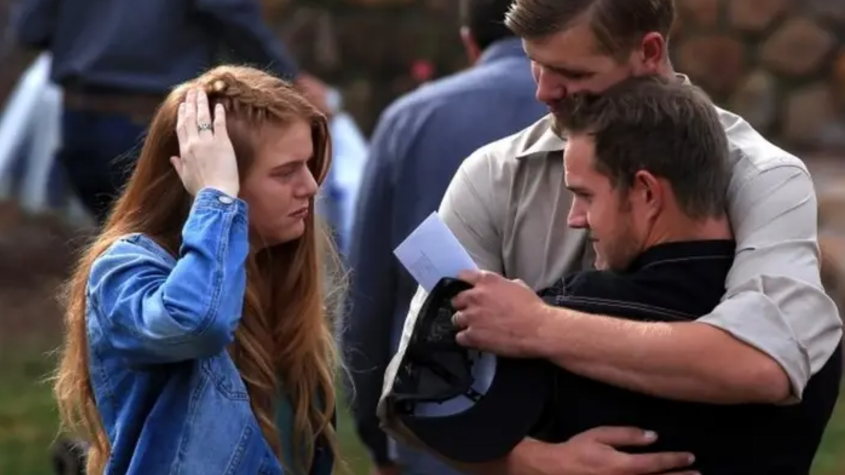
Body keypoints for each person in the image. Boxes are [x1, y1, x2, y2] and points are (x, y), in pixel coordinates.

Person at [379, 0, 844, 473]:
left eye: (570, 71)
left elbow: (764, 362)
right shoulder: (494, 176)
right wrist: (539, 465)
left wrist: (539, 327)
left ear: (648, 51)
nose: (543, 91)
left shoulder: (763, 176)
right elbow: (415, 388)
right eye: (535, 64)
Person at [52, 66, 341, 475]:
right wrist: (219, 199)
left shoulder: (273, 268)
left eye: (308, 165)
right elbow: (198, 323)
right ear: (205, 176)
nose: (310, 187)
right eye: (284, 172)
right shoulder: (126, 269)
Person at [343, 0, 547, 473]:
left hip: (439, 425)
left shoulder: (409, 120)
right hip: (575, 435)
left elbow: (367, 296)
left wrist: (380, 435)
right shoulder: (599, 107)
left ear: (469, 42)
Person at [12, 0, 329, 225]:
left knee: (115, 257)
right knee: (172, 261)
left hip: (78, 121)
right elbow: (230, 10)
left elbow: (30, 27)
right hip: (153, 126)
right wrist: (289, 79)